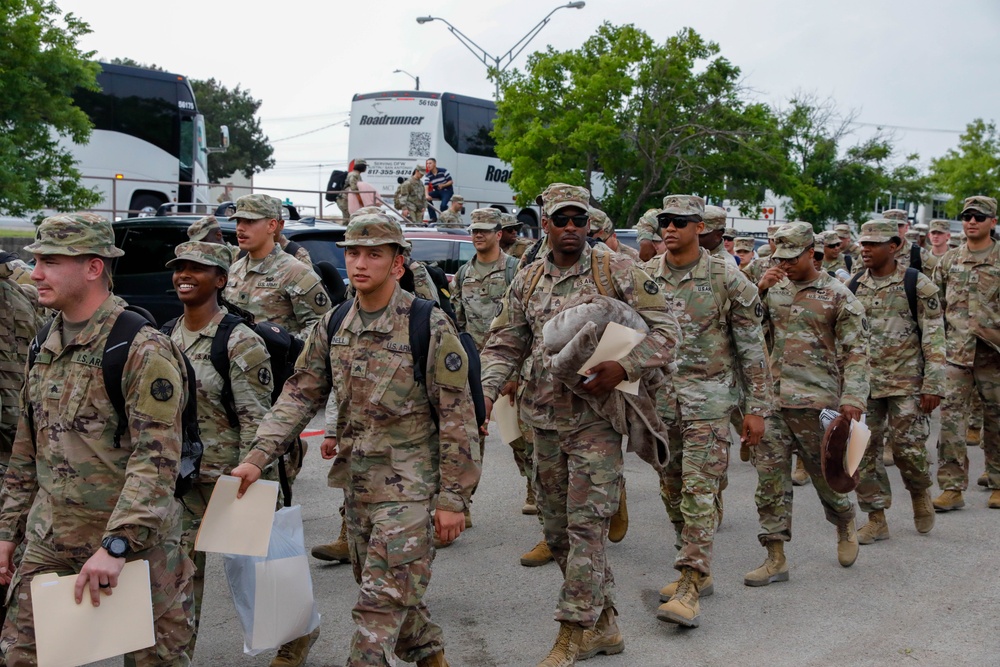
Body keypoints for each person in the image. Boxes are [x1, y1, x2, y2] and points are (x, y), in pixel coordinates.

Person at [230, 212, 480, 667]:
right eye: (353, 253)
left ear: (398, 264)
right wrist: (257, 457)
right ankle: (430, 656)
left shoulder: (427, 324)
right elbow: (299, 393)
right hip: (359, 490)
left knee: (377, 608)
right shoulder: (335, 322)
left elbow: (457, 416)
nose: (360, 263)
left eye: (374, 254)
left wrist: (453, 498)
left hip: (411, 492)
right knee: (388, 592)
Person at [479, 183, 680, 666]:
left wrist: (626, 367)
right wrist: (483, 394)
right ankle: (605, 624)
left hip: (598, 421)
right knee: (556, 533)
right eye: (561, 220)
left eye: (579, 220)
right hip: (542, 420)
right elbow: (504, 341)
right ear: (544, 225)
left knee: (586, 527)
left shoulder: (617, 270)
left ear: (590, 224)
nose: (571, 228)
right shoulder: (526, 280)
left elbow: (671, 331)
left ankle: (573, 632)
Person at [0, 213, 195, 665]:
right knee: (19, 657)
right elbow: (25, 451)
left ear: (92, 267)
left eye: (51, 261)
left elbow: (156, 459)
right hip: (51, 538)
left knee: (155, 661)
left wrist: (118, 544)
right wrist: (7, 533)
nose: (36, 273)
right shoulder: (44, 341)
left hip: (137, 547)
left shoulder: (140, 346)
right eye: (36, 260)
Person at [644, 195, 773, 628]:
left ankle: (689, 584)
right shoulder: (645, 277)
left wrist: (755, 410)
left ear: (700, 227)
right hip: (661, 407)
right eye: (665, 221)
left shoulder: (727, 278)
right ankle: (696, 568)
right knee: (671, 489)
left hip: (710, 405)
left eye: (680, 222)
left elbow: (753, 349)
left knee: (700, 493)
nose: (670, 228)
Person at [747, 222, 869, 585]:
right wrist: (759, 291)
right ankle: (775, 556)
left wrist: (853, 397)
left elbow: (857, 353)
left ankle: (845, 519)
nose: (784, 264)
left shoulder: (838, 295)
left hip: (817, 404)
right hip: (772, 402)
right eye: (779, 257)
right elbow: (745, 329)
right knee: (770, 482)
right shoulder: (772, 288)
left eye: (792, 257)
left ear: (810, 253)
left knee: (826, 478)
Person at [850, 221, 944, 541]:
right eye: (863, 243)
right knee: (862, 450)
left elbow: (934, 338)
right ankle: (876, 517)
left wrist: (933, 384)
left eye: (873, 244)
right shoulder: (852, 286)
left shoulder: (917, 284)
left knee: (908, 449)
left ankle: (919, 493)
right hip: (865, 383)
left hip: (906, 381)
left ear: (894, 246)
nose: (865, 249)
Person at [449, 208, 520, 539]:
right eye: (474, 230)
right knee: (467, 436)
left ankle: (536, 488)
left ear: (499, 232)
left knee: (524, 437)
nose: (478, 235)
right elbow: (458, 322)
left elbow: (525, 324)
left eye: (485, 230)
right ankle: (463, 505)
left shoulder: (513, 269)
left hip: (508, 364)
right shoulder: (463, 273)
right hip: (474, 368)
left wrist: (516, 372)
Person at [931, 196, 1000, 511]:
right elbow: (936, 308)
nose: (972, 221)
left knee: (996, 420)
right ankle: (951, 487)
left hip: (994, 356)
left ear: (992, 222)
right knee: (951, 421)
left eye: (979, 216)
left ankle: (998, 481)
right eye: (967, 216)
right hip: (957, 354)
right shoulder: (949, 261)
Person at [224, 194, 331, 338]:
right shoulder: (234, 269)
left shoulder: (295, 272)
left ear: (272, 225)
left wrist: (288, 347)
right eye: (238, 221)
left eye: (249, 221)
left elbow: (321, 324)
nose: (240, 228)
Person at [881, 209, 937, 276]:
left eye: (899, 225)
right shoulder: (873, 251)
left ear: (906, 228)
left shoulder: (920, 255)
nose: (895, 229)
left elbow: (936, 281)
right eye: (890, 225)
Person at [424, 158, 454, 222]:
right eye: (427, 164)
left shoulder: (443, 171)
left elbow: (451, 181)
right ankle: (433, 217)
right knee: (425, 198)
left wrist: (443, 185)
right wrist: (426, 195)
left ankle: (444, 218)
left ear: (435, 164)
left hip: (447, 190)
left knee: (443, 206)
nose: (428, 165)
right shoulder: (428, 175)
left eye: (430, 163)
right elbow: (426, 186)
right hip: (437, 191)